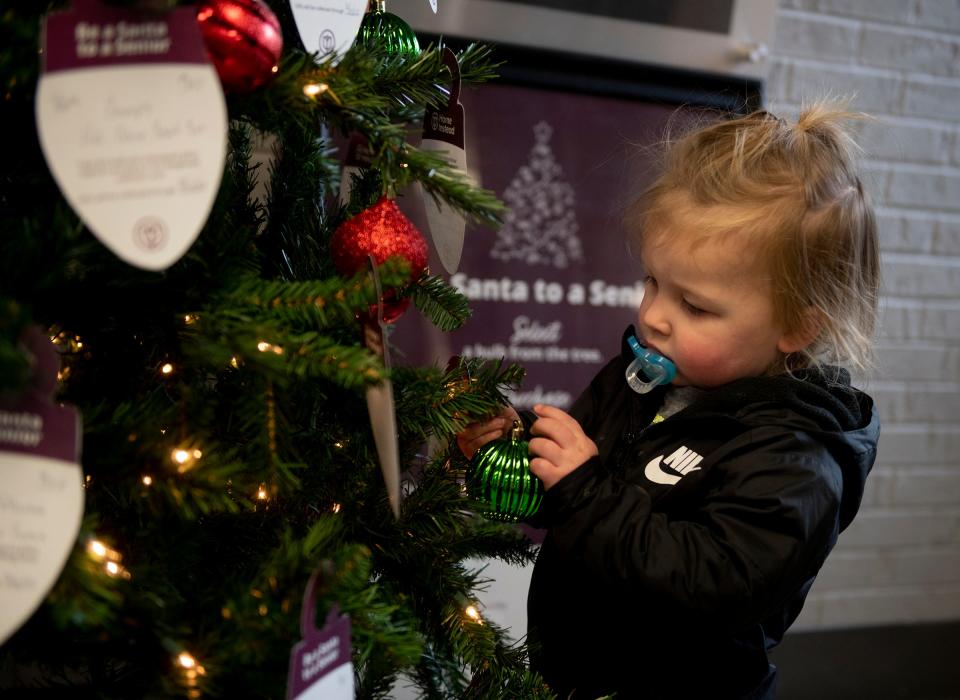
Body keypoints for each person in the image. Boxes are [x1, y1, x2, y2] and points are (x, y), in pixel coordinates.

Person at [456, 102, 880, 699]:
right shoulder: (641, 377)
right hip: (570, 671)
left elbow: (709, 586)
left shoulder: (797, 457)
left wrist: (583, 488)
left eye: (696, 306)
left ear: (797, 327)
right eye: (652, 281)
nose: (653, 316)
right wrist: (520, 446)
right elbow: (571, 495)